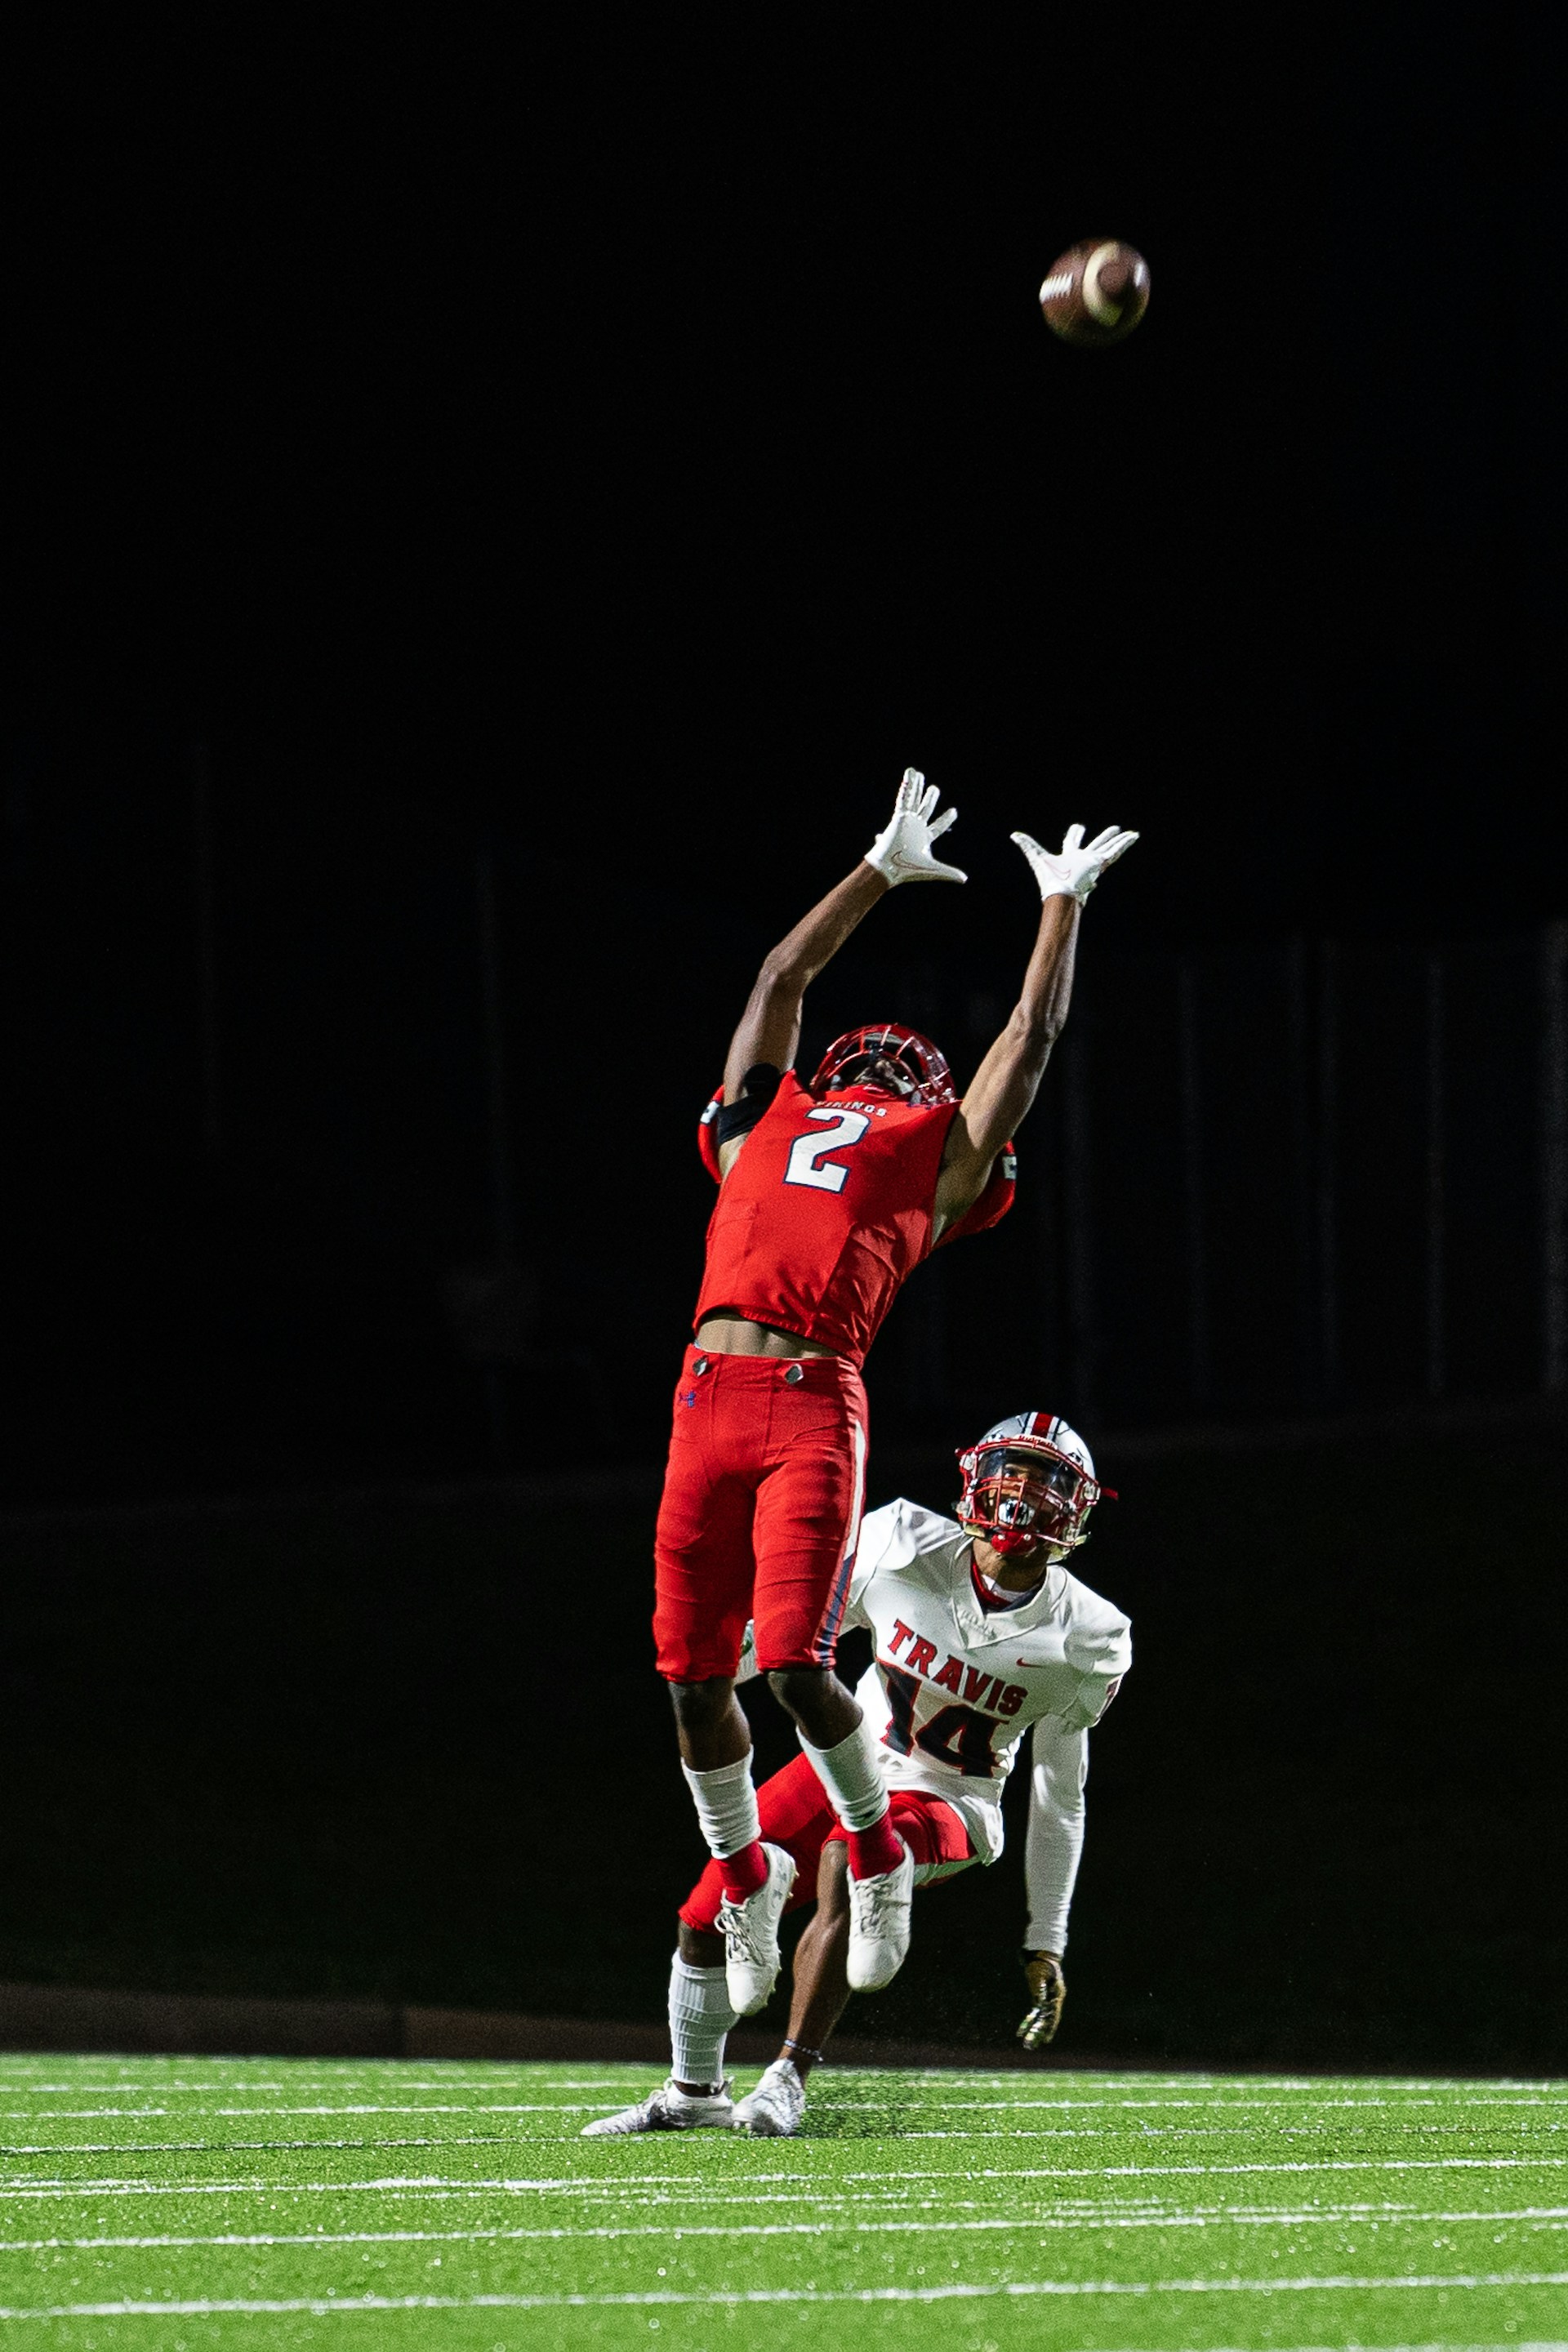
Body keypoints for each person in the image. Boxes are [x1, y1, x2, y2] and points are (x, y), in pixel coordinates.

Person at [654, 769, 1138, 2020]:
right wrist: (878, 866)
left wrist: (1060, 910)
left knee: (801, 1668)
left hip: (812, 1390)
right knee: (694, 1680)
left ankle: (871, 1864)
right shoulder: (767, 1116)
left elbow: (1026, 1046)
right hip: (706, 1387)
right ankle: (740, 1887)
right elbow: (777, 982)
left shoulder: (934, 1162)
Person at [588, 1410, 1130, 2137]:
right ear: (975, 1476)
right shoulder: (902, 1539)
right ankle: (693, 2090)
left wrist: (1047, 1936)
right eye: (1013, 1470)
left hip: (953, 1799)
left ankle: (788, 2076)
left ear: (1078, 1504)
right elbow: (797, 1645)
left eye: (1046, 1480)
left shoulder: (1091, 1635)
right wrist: (710, 1673)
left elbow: (1061, 1793)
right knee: (704, 1913)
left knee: (857, 1855)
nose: (1022, 1494)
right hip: (846, 1765)